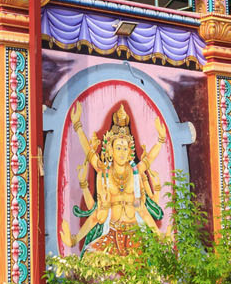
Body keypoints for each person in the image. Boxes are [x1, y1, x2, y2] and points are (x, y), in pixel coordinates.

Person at [62, 102, 167, 254]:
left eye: (125, 148)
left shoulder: (136, 173)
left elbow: (143, 211)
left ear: (130, 151)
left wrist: (161, 139)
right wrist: (78, 125)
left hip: (136, 236)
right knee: (93, 259)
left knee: (148, 261)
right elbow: (98, 216)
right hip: (111, 235)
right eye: (118, 148)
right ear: (110, 150)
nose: (122, 152)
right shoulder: (104, 174)